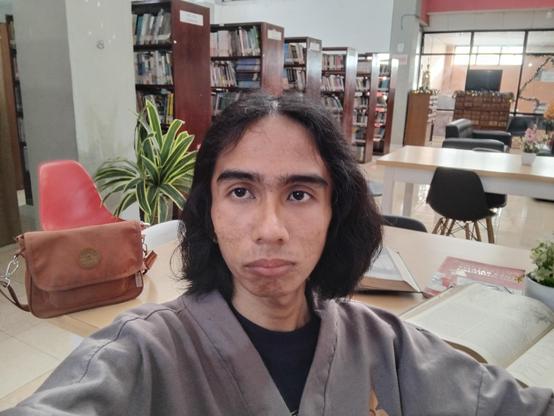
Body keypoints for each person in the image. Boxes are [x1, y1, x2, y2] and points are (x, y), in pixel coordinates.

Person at [3, 94, 553, 416]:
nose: (270, 230)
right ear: (208, 212)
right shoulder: (140, 354)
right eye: (241, 191)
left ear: (336, 212)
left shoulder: (383, 344)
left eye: (299, 194)